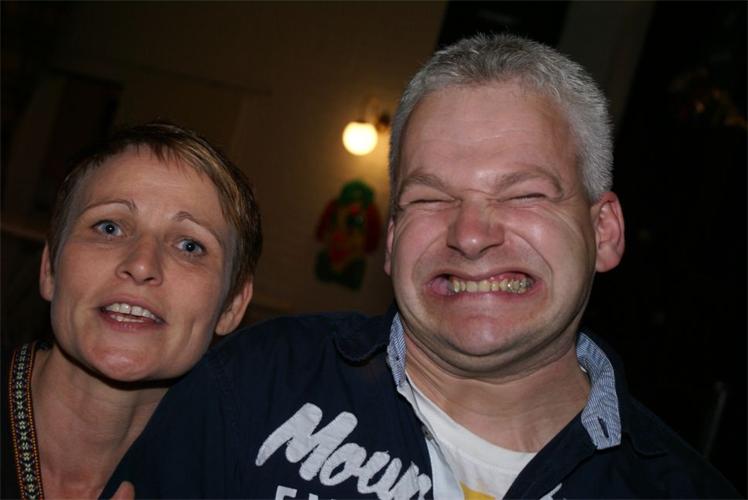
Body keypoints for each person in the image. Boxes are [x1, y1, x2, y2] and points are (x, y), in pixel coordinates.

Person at [103, 35, 739, 499]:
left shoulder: (682, 491)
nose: (470, 234)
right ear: (391, 242)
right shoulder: (253, 386)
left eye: (523, 194)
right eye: (430, 199)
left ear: (604, 231)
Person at [1, 122, 262, 498]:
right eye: (109, 227)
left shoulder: (234, 481)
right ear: (50, 270)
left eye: (189, 246)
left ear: (232, 305)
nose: (141, 264)